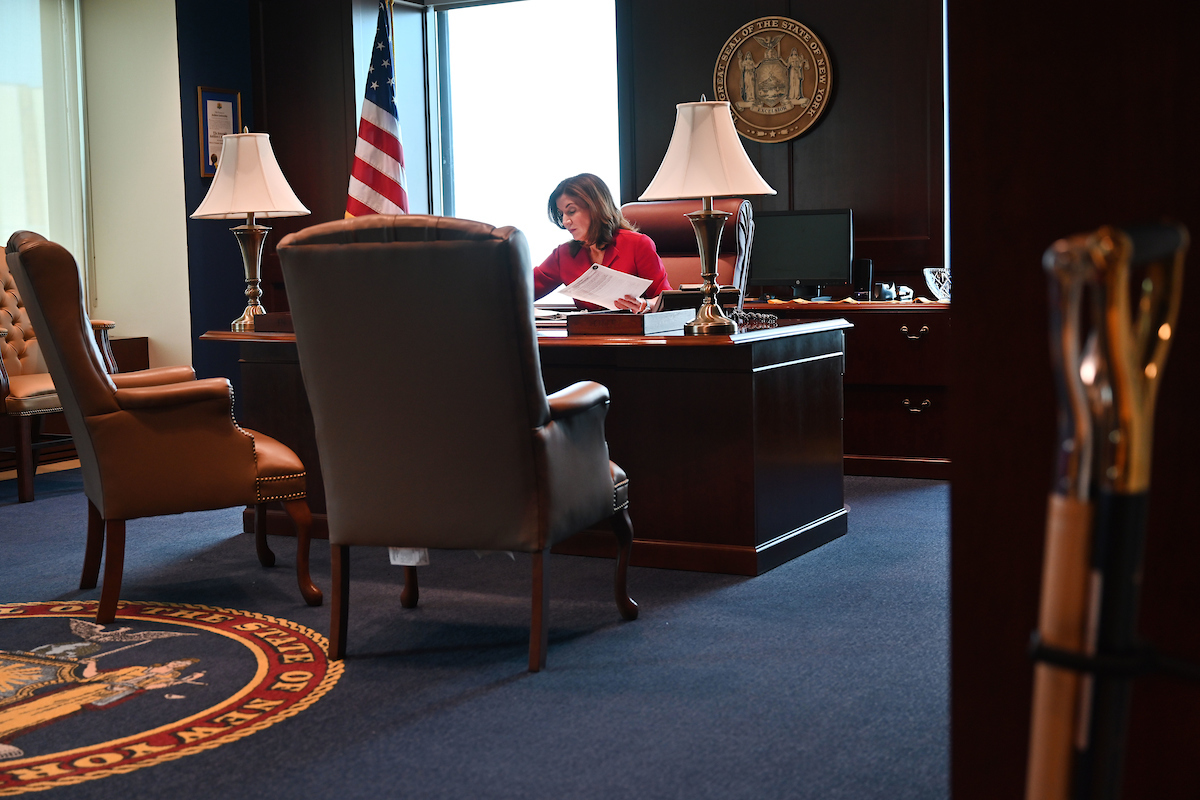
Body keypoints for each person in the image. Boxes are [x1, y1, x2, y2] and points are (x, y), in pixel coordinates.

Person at [534, 173, 671, 312]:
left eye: (571, 211)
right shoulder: (563, 255)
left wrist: (645, 304)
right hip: (588, 332)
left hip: (634, 330)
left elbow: (665, 299)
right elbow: (523, 289)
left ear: (596, 208)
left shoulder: (637, 244)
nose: (565, 221)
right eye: (561, 214)